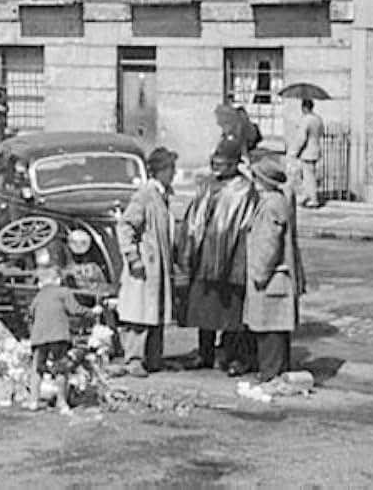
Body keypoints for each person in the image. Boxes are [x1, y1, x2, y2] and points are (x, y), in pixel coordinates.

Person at [175, 137, 259, 375]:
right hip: (204, 257)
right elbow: (193, 218)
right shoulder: (207, 185)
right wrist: (188, 249)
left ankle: (233, 357)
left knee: (231, 312)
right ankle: (204, 353)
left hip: (231, 259)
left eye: (222, 163)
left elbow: (246, 223)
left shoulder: (244, 188)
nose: (217, 167)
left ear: (235, 164)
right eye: (215, 162)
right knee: (203, 309)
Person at [115, 146, 177, 378]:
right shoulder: (144, 195)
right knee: (139, 313)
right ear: (159, 171)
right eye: (170, 169)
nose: (174, 173)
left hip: (158, 264)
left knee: (155, 312)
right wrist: (132, 256)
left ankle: (154, 358)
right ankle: (133, 359)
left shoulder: (165, 194)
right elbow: (126, 225)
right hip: (144, 263)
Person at [245, 156, 306, 384]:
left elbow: (268, 244)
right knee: (276, 332)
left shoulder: (271, 204)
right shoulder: (277, 200)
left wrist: (259, 273)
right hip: (276, 279)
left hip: (271, 279)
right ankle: (278, 376)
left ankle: (271, 378)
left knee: (269, 331)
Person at [24, 266, 89, 414]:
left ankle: (33, 401)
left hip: (39, 338)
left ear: (40, 283)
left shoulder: (38, 296)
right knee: (61, 369)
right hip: (58, 336)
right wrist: (91, 312)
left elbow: (30, 315)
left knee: (37, 369)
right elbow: (75, 310)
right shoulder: (63, 292)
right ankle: (62, 402)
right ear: (58, 280)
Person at [291, 98, 324, 208]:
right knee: (308, 175)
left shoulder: (306, 120)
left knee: (309, 176)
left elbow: (301, 138)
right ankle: (307, 196)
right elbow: (321, 132)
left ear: (304, 108)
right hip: (316, 149)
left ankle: (313, 199)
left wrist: (295, 151)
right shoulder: (318, 119)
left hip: (307, 151)